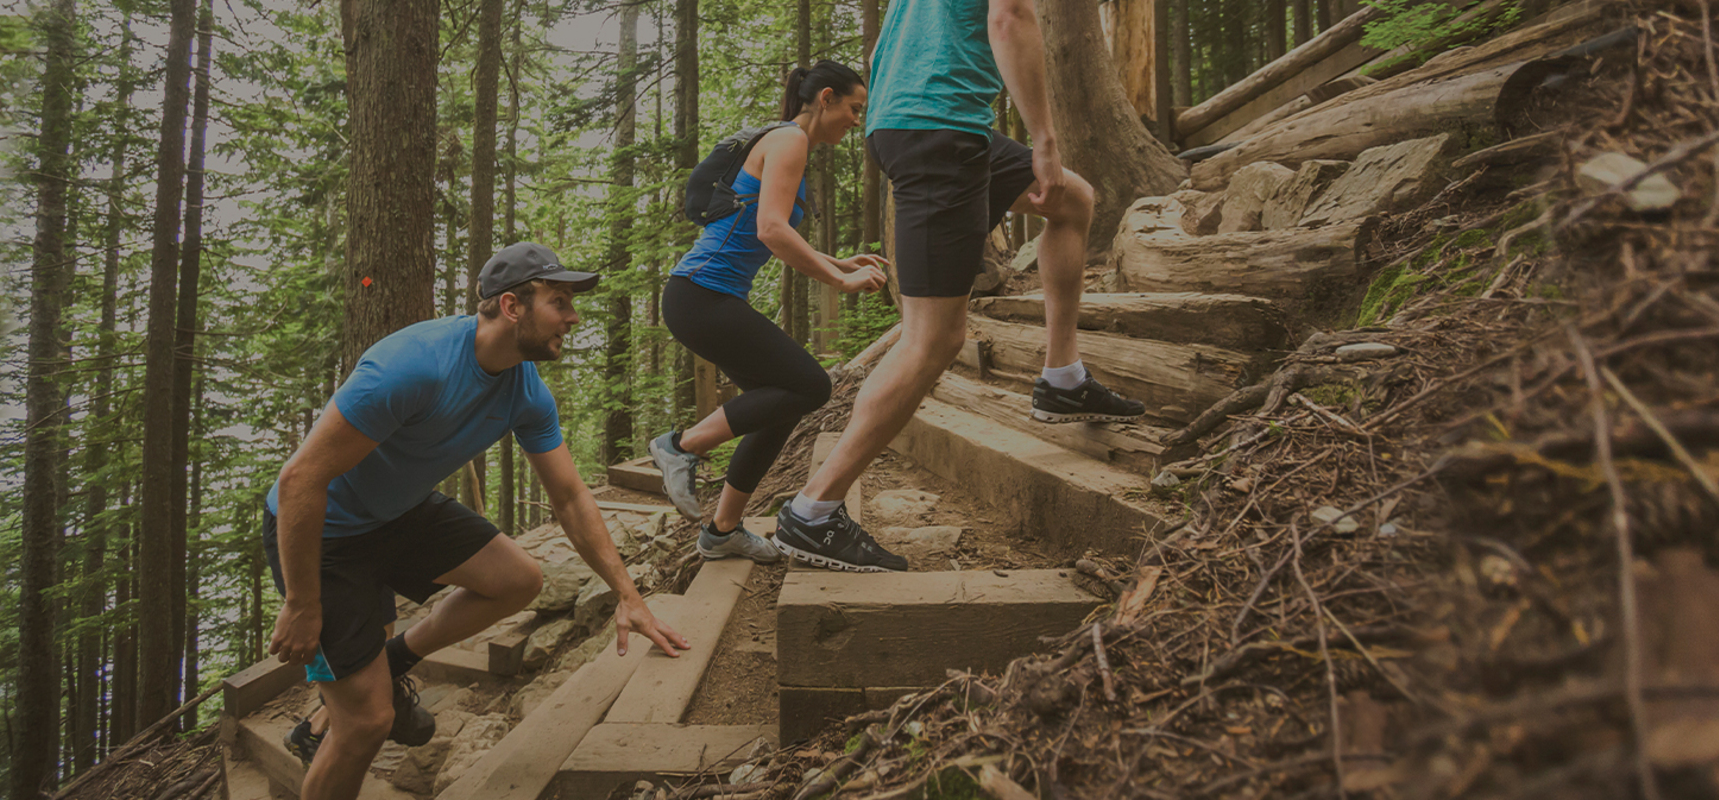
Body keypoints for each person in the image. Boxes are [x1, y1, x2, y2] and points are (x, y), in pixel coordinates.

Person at [266, 242, 689, 799]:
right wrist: (302, 603)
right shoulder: (412, 366)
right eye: (559, 302)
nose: (573, 316)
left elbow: (569, 497)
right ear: (512, 306)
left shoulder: (525, 391)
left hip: (398, 512)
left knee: (517, 578)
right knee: (366, 722)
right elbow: (300, 481)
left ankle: (391, 662)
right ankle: (344, 714)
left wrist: (628, 595)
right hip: (328, 534)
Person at [772, 0, 1148, 572]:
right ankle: (813, 513)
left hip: (936, 125)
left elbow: (885, 49)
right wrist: (1044, 138)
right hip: (937, 131)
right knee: (933, 339)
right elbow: (1010, 16)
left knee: (1073, 198)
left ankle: (1063, 378)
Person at [647, 60, 890, 567]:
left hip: (708, 298)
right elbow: (772, 231)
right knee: (812, 387)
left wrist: (838, 260)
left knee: (781, 403)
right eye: (852, 108)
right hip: (699, 295)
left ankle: (722, 532)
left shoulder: (786, 142)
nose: (855, 120)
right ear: (825, 98)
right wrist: (840, 280)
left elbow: (772, 225)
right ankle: (681, 445)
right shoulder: (788, 141)